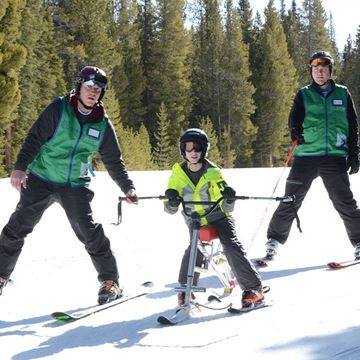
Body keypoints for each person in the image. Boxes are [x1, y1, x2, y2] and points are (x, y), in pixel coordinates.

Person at [0, 66, 138, 304]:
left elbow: (113, 160)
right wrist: (20, 167)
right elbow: (34, 138)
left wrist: (127, 187)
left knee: (88, 231)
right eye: (89, 87)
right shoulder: (58, 109)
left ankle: (110, 282)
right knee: (17, 227)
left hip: (75, 184)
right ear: (79, 87)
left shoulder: (102, 123)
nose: (93, 92)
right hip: (42, 178)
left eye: (98, 89)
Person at [265, 51, 360, 260]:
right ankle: (273, 240)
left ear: (330, 71)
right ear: (311, 71)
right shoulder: (304, 94)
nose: (319, 72)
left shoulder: (343, 94)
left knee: (345, 202)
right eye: (315, 69)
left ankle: (359, 241)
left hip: (334, 156)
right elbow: (294, 119)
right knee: (291, 199)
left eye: (323, 69)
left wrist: (354, 153)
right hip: (306, 155)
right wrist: (295, 131)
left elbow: (352, 125)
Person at [164, 128, 264, 308]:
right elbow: (169, 209)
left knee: (230, 244)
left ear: (204, 150)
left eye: (197, 148)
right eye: (188, 148)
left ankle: (253, 289)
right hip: (195, 219)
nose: (193, 152)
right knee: (194, 247)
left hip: (219, 217)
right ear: (182, 150)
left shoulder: (213, 172)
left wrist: (229, 198)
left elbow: (226, 207)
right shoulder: (177, 174)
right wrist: (171, 200)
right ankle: (186, 289)